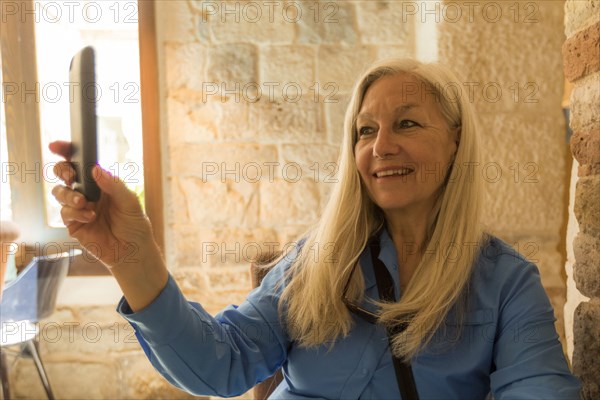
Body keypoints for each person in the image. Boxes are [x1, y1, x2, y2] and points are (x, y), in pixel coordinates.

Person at [50, 58, 581, 399]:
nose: (381, 147)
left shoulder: (507, 283)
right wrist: (131, 258)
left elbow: (540, 390)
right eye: (365, 130)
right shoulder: (314, 261)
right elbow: (221, 363)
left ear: (457, 142)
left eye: (408, 123)